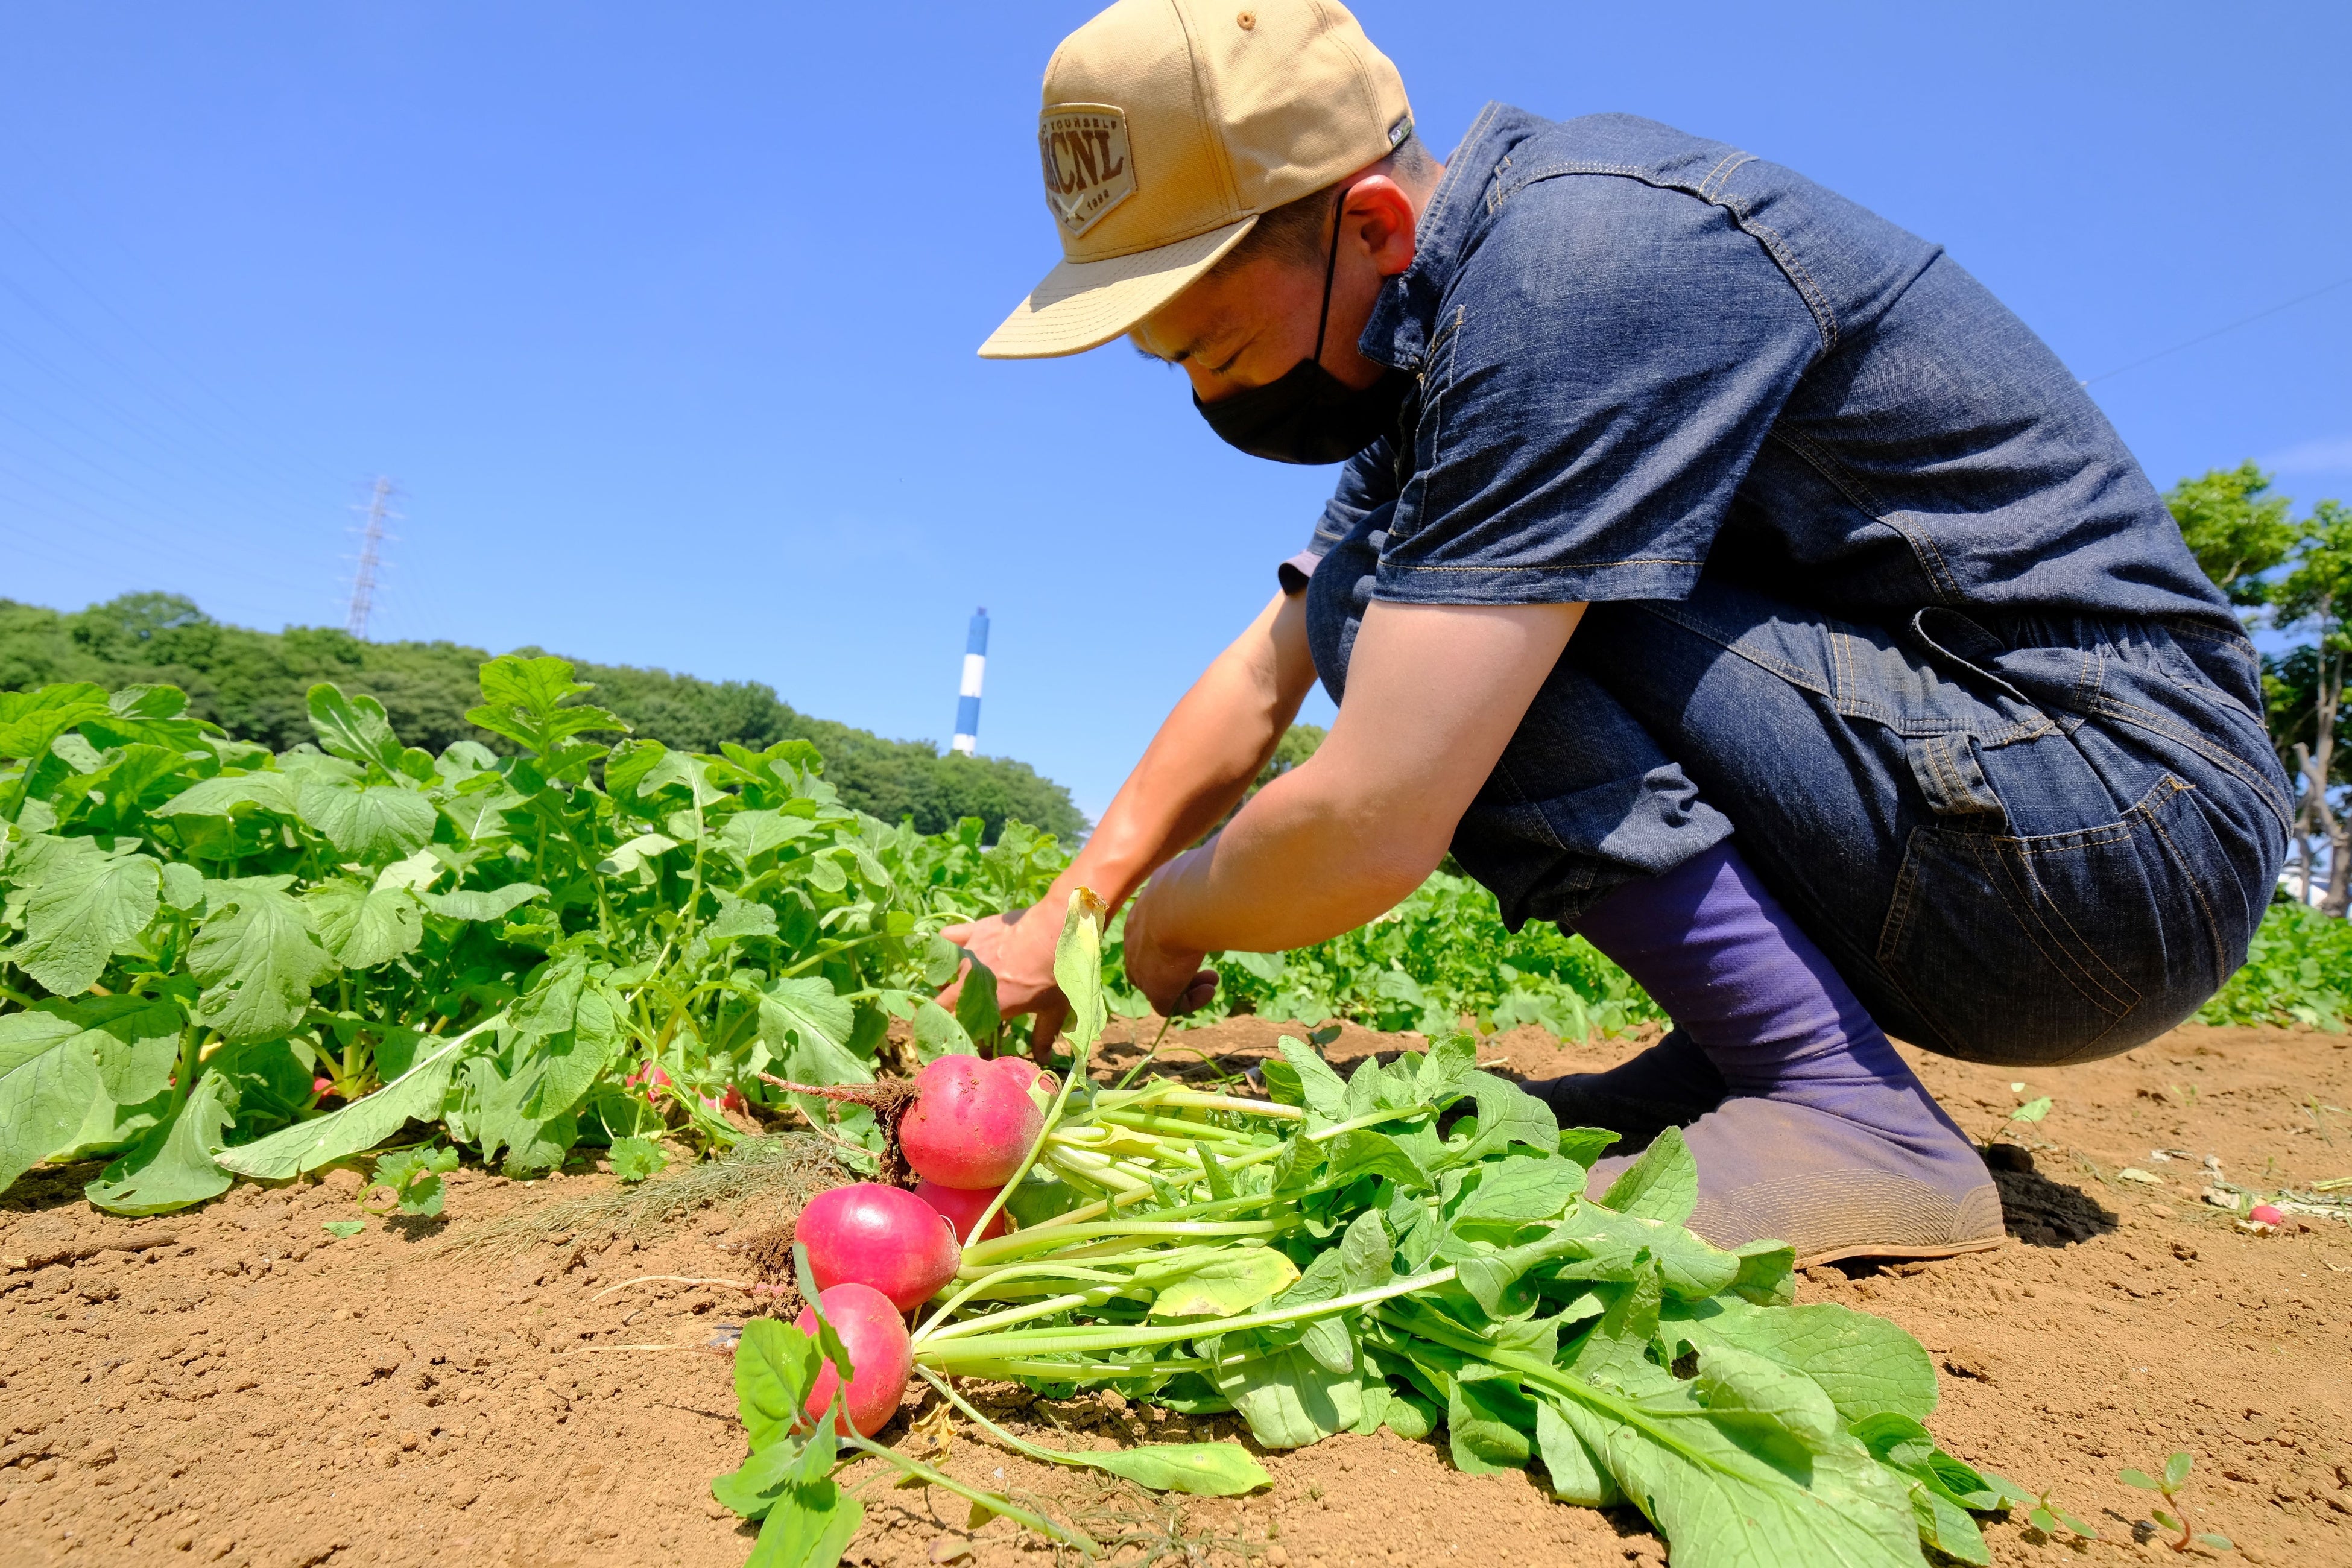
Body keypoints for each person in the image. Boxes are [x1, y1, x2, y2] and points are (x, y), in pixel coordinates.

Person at [945, 0, 2289, 1266]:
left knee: (1420, 617)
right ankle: (1745, 1049)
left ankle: (1836, 1102)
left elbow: (1374, 816)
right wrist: (1072, 909)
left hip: (2119, 831)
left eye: (1223, 353)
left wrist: (1171, 919)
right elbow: (1265, 665)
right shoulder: (1439, 342)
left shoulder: (1576, 271)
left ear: (1370, 227)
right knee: (1392, 590)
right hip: (2006, 812)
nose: (1207, 393)